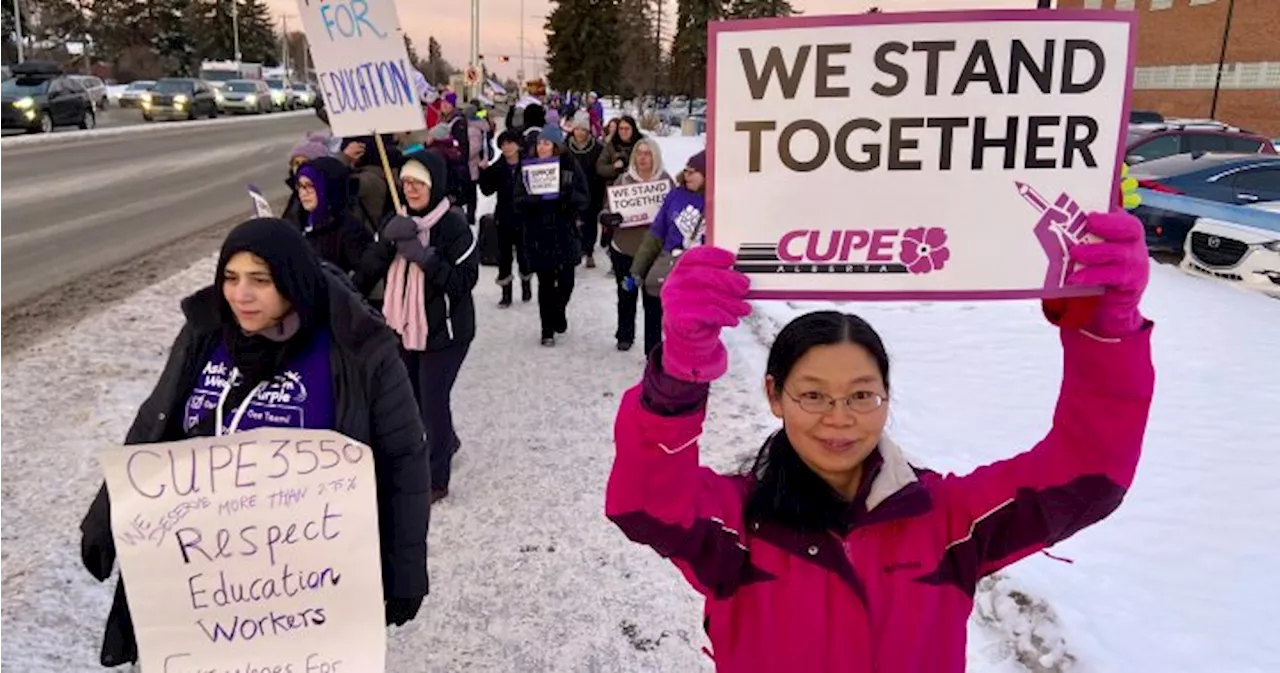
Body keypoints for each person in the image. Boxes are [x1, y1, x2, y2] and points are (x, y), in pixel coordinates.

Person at [604, 207, 1154, 671]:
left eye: (861, 395)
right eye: (813, 395)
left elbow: (1089, 475)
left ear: (886, 397)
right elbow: (644, 501)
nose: (839, 419)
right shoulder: (737, 528)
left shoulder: (949, 522)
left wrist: (1107, 332)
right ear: (774, 396)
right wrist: (678, 375)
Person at [78, 218, 432, 669]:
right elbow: (155, 426)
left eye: (260, 281)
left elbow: (405, 458)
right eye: (230, 277)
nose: (240, 294)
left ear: (292, 281)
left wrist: (405, 569)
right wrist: (107, 514)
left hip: (303, 584)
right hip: (199, 579)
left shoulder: (359, 349)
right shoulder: (205, 335)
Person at [380, 150, 479, 503]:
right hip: (406, 326)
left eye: (418, 182)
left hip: (448, 330)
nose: (410, 189)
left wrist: (425, 259)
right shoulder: (398, 217)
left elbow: (463, 281)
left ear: (434, 184)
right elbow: (369, 268)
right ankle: (447, 440)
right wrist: (385, 242)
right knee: (415, 398)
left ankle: (436, 478)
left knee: (433, 401)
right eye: (405, 182)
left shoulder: (453, 225)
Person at [514, 124, 589, 346]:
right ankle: (547, 330)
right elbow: (517, 199)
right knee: (545, 282)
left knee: (567, 280)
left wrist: (568, 197)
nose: (542, 147)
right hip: (538, 232)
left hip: (564, 230)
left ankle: (559, 311)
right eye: (539, 143)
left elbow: (584, 197)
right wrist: (533, 200)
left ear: (556, 146)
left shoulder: (569, 165)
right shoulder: (527, 168)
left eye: (546, 143)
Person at [597, 138, 672, 353]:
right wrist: (607, 218)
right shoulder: (623, 181)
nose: (642, 158)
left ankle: (653, 345)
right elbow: (605, 208)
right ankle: (625, 335)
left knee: (654, 301)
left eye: (648, 153)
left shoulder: (666, 183)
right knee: (626, 294)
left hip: (655, 254)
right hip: (625, 249)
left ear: (655, 156)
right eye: (639, 153)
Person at [627, 150, 708, 334]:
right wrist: (637, 270)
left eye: (693, 171)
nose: (687, 175)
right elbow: (656, 234)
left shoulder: (717, 200)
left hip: (699, 274)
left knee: (689, 328)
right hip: (669, 265)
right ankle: (654, 355)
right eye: (686, 170)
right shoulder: (676, 195)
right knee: (657, 313)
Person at [291, 156, 387, 298]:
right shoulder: (300, 220)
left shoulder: (348, 229)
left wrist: (339, 298)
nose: (303, 193)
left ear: (327, 188)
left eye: (310, 186)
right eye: (300, 186)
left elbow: (364, 276)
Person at [479, 129, 534, 307]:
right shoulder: (497, 168)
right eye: (503, 144)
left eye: (510, 143)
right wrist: (483, 173)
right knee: (504, 257)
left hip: (525, 217)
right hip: (504, 217)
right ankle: (506, 293)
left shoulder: (530, 165)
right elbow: (487, 190)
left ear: (518, 145)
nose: (507, 147)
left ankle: (526, 285)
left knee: (524, 254)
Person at [565, 111, 606, 269]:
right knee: (573, 222)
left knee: (590, 222)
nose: (580, 133)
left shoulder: (597, 148)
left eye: (583, 129)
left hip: (592, 189)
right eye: (577, 129)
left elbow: (601, 168)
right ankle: (576, 250)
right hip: (571, 190)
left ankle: (589, 251)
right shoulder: (565, 146)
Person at [282, 131, 332, 223]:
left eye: (305, 163)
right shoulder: (296, 193)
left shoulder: (329, 197)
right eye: (296, 163)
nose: (299, 167)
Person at [596, 116, 642, 185]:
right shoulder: (611, 145)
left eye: (627, 129)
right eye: (621, 129)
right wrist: (614, 167)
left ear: (633, 129)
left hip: (638, 185)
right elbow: (600, 167)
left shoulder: (641, 145)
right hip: (615, 187)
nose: (623, 132)